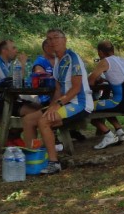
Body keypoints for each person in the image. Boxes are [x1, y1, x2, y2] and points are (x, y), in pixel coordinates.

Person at [22, 29, 93, 175]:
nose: (52, 41)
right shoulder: (58, 62)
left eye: (56, 38)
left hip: (80, 103)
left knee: (44, 121)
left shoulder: (73, 58)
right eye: (49, 39)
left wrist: (57, 105)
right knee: (28, 120)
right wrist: (51, 107)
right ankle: (34, 158)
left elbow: (76, 88)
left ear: (64, 40)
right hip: (65, 103)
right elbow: (58, 90)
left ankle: (54, 163)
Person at [88, 40, 124, 150]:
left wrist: (95, 80)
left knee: (87, 108)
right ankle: (120, 132)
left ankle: (108, 135)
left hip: (120, 103)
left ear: (100, 52)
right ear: (113, 50)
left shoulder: (105, 61)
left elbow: (90, 81)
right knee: (105, 103)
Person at [0, 39, 38, 117]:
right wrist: (23, 64)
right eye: (13, 48)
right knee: (33, 111)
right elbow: (16, 83)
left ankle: (23, 124)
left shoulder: (8, 63)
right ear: (4, 51)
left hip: (5, 99)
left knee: (38, 107)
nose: (16, 50)